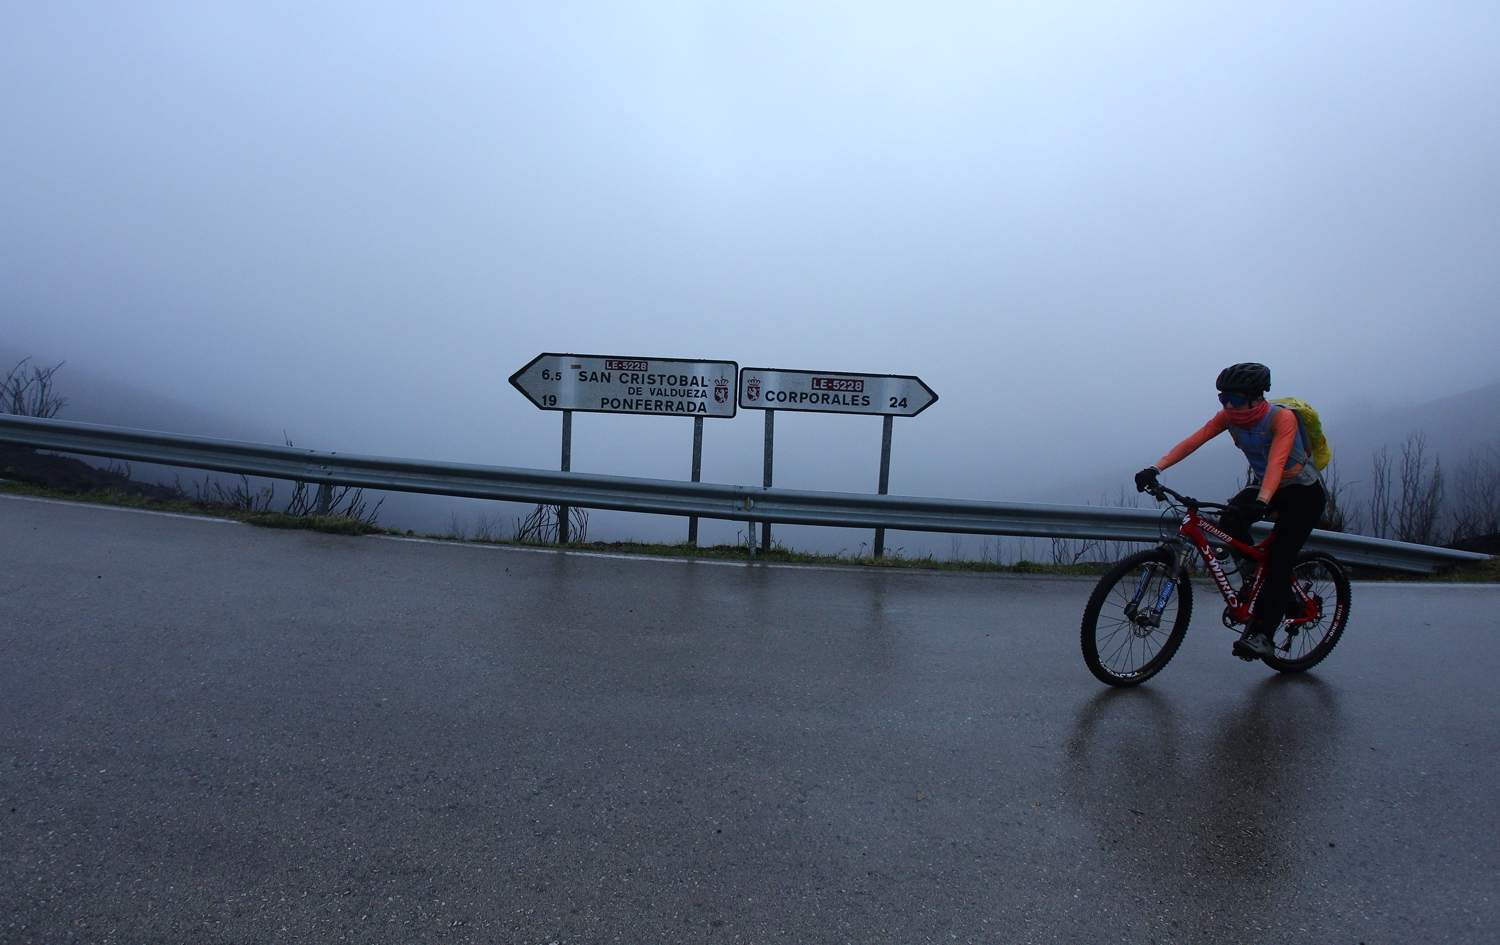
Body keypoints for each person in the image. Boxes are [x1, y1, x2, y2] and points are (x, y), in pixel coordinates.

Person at [1133, 363, 1327, 660]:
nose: (1228, 406)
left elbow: (1277, 462)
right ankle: (1254, 577)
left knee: (1278, 562)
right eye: (1223, 399)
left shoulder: (1281, 419)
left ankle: (1263, 635)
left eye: (1235, 399)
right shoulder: (1228, 418)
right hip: (1266, 487)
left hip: (1302, 493)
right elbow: (1192, 442)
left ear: (1256, 397)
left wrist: (1262, 501)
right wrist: (1155, 467)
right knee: (1229, 522)